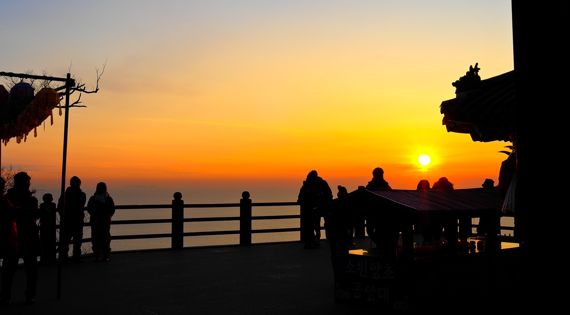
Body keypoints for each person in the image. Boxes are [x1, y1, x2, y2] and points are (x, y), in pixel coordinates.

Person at [0, 172, 39, 305]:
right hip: (14, 237)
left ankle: (27, 294)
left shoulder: (27, 199)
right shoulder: (8, 199)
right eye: (26, 183)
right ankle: (7, 295)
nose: (28, 186)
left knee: (29, 269)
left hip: (26, 237)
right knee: (10, 269)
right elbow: (17, 214)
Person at [297, 170, 333, 249]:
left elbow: (300, 197)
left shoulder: (308, 184)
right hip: (320, 208)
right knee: (318, 225)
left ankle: (314, 241)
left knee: (314, 225)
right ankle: (320, 240)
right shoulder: (322, 183)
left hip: (315, 209)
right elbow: (329, 195)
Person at [58, 176, 87, 263]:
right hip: (77, 221)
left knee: (65, 242)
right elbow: (81, 205)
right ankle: (76, 258)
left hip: (67, 221)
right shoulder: (82, 195)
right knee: (77, 242)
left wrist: (63, 216)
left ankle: (64, 259)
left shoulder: (65, 194)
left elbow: (60, 207)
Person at [87, 182, 116, 262]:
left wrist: (95, 214)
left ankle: (98, 255)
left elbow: (89, 208)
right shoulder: (108, 199)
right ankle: (105, 255)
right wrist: (107, 215)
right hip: (104, 222)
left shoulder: (93, 199)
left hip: (96, 222)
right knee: (105, 239)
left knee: (96, 239)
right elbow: (112, 210)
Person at [39, 193, 58, 264]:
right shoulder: (53, 205)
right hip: (51, 227)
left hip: (44, 227)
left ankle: (44, 259)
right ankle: (51, 259)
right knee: (50, 243)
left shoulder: (42, 205)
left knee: (44, 243)